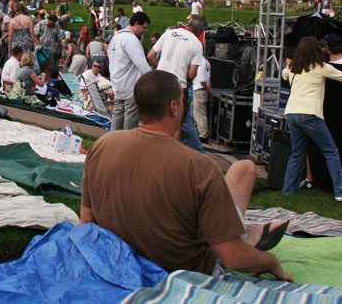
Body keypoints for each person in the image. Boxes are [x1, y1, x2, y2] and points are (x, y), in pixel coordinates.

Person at [81, 70, 293, 281]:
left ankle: (246, 231)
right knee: (244, 169)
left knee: (242, 169)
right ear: (174, 108)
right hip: (184, 271)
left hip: (118, 264)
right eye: (182, 102)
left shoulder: (102, 146)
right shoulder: (199, 167)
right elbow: (233, 257)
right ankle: (246, 233)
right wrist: (271, 262)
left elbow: (87, 222)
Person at [281, 36, 342, 201]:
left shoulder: (292, 69)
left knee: (297, 154)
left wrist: (287, 64)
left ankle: (288, 192)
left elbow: (284, 74)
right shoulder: (321, 67)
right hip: (310, 114)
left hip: (291, 114)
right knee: (331, 151)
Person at [147, 15, 208, 153]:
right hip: (178, 86)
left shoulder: (168, 33)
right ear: (199, 30)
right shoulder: (197, 44)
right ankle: (172, 154)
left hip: (159, 81)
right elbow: (192, 74)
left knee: (155, 118)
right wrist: (183, 79)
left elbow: (150, 55)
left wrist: (160, 69)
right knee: (177, 123)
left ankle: (152, 150)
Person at [107, 12, 151, 130]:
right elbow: (142, 64)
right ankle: (126, 144)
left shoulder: (116, 37)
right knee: (129, 121)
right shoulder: (131, 40)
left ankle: (113, 142)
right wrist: (153, 79)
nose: (144, 31)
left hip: (118, 84)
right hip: (131, 87)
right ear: (137, 24)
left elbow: (110, 56)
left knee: (118, 114)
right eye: (144, 27)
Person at [192, 56, 213, 144]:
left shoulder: (199, 62)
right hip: (203, 90)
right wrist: (209, 88)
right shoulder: (207, 62)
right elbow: (209, 78)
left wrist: (207, 88)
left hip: (199, 89)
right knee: (199, 112)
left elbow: (202, 79)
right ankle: (201, 132)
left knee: (199, 113)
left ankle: (203, 134)